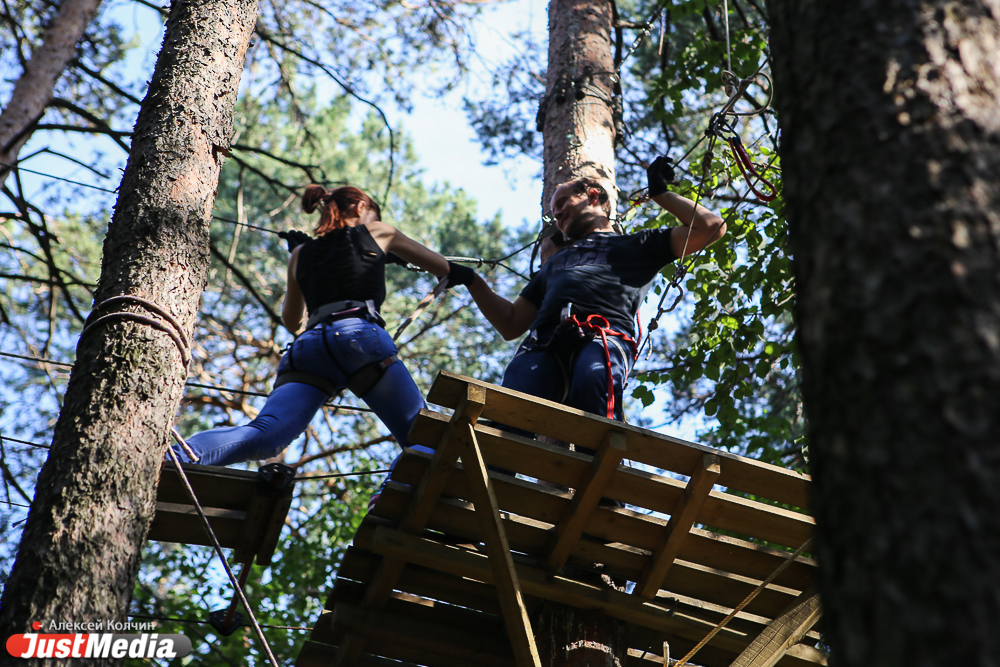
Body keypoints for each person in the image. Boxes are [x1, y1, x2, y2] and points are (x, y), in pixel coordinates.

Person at [173, 184, 469, 466]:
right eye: (373, 217)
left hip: (309, 348)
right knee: (423, 438)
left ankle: (177, 457)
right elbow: (444, 268)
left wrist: (303, 261)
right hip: (360, 337)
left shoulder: (301, 254)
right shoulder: (378, 232)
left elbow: (292, 321)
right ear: (362, 207)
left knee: (265, 435)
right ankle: (393, 494)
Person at [452, 157, 726, 425]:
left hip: (603, 336)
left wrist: (660, 194)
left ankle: (598, 461)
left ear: (593, 196)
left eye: (561, 203)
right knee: (513, 406)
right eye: (553, 211)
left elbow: (711, 227)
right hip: (544, 342)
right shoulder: (556, 262)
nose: (556, 214)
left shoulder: (638, 244)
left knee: (594, 379)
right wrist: (472, 281)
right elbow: (511, 322)